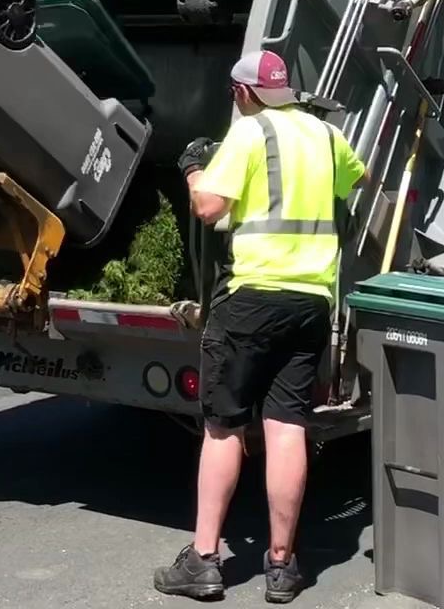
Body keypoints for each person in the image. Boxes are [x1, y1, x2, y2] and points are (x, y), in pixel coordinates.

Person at [154, 50, 366, 604]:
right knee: (286, 425)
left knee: (223, 427)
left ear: (243, 94)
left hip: (250, 300)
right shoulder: (325, 135)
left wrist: (194, 166)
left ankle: (203, 561)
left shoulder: (249, 134)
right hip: (311, 302)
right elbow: (355, 180)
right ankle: (281, 564)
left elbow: (209, 207)